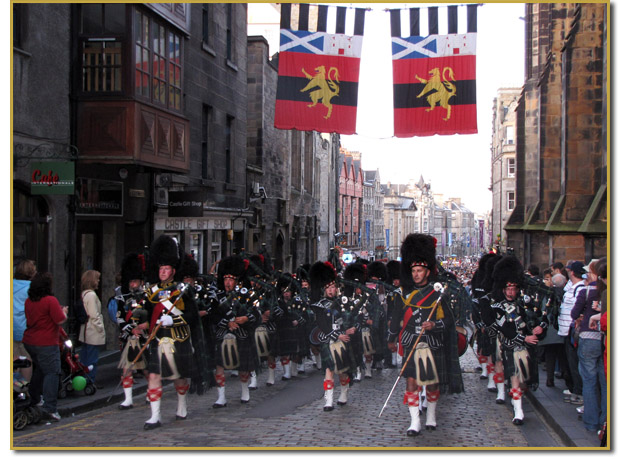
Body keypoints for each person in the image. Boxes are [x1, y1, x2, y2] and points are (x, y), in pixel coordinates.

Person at [387, 233, 463, 436]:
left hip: (433, 343)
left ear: (427, 272)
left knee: (432, 382)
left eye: (419, 271)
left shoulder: (438, 294)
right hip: (412, 342)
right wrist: (392, 338)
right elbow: (396, 318)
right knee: (411, 382)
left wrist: (434, 325)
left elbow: (449, 321)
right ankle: (414, 422)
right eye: (413, 271)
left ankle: (431, 416)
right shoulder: (404, 293)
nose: (416, 275)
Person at [143, 235, 201, 429]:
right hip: (158, 339)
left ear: (173, 271)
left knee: (178, 377)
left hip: (178, 338)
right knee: (153, 376)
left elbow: (192, 316)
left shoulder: (182, 290)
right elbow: (147, 314)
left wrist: (174, 319)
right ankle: (155, 416)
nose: (163, 272)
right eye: (160, 268)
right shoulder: (151, 292)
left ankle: (182, 405)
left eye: (166, 269)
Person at [485, 256, 543, 425]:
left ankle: (515, 399)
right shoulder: (497, 307)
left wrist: (540, 328)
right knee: (510, 373)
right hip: (507, 344)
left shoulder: (524, 305)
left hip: (525, 347)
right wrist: (525, 337)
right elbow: (505, 329)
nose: (511, 292)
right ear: (503, 289)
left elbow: (536, 320)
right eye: (508, 289)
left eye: (514, 289)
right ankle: (518, 411)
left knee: (522, 380)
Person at [212, 255, 260, 408]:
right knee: (219, 367)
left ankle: (245, 391)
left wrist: (246, 318)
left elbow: (256, 314)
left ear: (237, 281)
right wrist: (227, 323)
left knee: (243, 369)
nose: (227, 282)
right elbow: (212, 315)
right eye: (225, 279)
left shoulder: (247, 296)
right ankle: (221, 397)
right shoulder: (217, 297)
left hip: (242, 335)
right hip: (222, 335)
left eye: (231, 279)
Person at [309, 261, 357, 411]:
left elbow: (348, 319)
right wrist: (338, 335)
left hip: (343, 341)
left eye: (333, 287)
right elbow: (322, 324)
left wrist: (350, 329)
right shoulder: (319, 305)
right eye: (328, 288)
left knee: (343, 372)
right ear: (324, 289)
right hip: (328, 341)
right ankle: (328, 401)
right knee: (328, 370)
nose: (331, 290)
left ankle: (343, 394)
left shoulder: (342, 303)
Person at [22, 272, 69, 422]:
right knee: (52, 373)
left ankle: (35, 398)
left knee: (40, 370)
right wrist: (64, 312)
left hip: (30, 340)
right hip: (46, 342)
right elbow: (60, 320)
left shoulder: (29, 301)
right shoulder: (50, 300)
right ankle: (50, 408)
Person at [571, 259, 606, 432]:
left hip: (588, 337)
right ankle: (605, 423)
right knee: (605, 382)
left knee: (590, 381)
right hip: (604, 338)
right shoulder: (604, 291)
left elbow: (574, 313)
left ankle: (592, 422)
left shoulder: (587, 291)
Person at [116, 253, 149, 410]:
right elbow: (120, 318)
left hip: (144, 337)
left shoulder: (147, 298)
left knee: (146, 369)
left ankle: (151, 392)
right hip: (129, 336)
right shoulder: (121, 299)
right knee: (127, 368)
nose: (133, 284)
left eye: (135, 281)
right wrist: (130, 329)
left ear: (141, 282)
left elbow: (152, 316)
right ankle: (127, 398)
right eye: (131, 281)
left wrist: (144, 326)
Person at [557, 261, 586, 405]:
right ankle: (574, 387)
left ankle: (578, 390)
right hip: (565, 330)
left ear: (573, 272)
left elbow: (577, 310)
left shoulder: (580, 288)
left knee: (575, 362)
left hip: (572, 330)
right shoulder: (572, 286)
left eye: (570, 270)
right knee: (569, 362)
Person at [79, 269, 106, 388]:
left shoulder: (85, 293)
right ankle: (90, 380)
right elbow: (94, 314)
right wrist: (100, 328)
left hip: (86, 329)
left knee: (86, 356)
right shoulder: (91, 295)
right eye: (97, 279)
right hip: (92, 330)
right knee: (92, 358)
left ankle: (85, 379)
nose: (99, 281)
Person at [13, 259, 37, 382]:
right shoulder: (31, 288)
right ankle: (25, 389)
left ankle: (14, 389)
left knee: (13, 360)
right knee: (26, 360)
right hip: (25, 329)